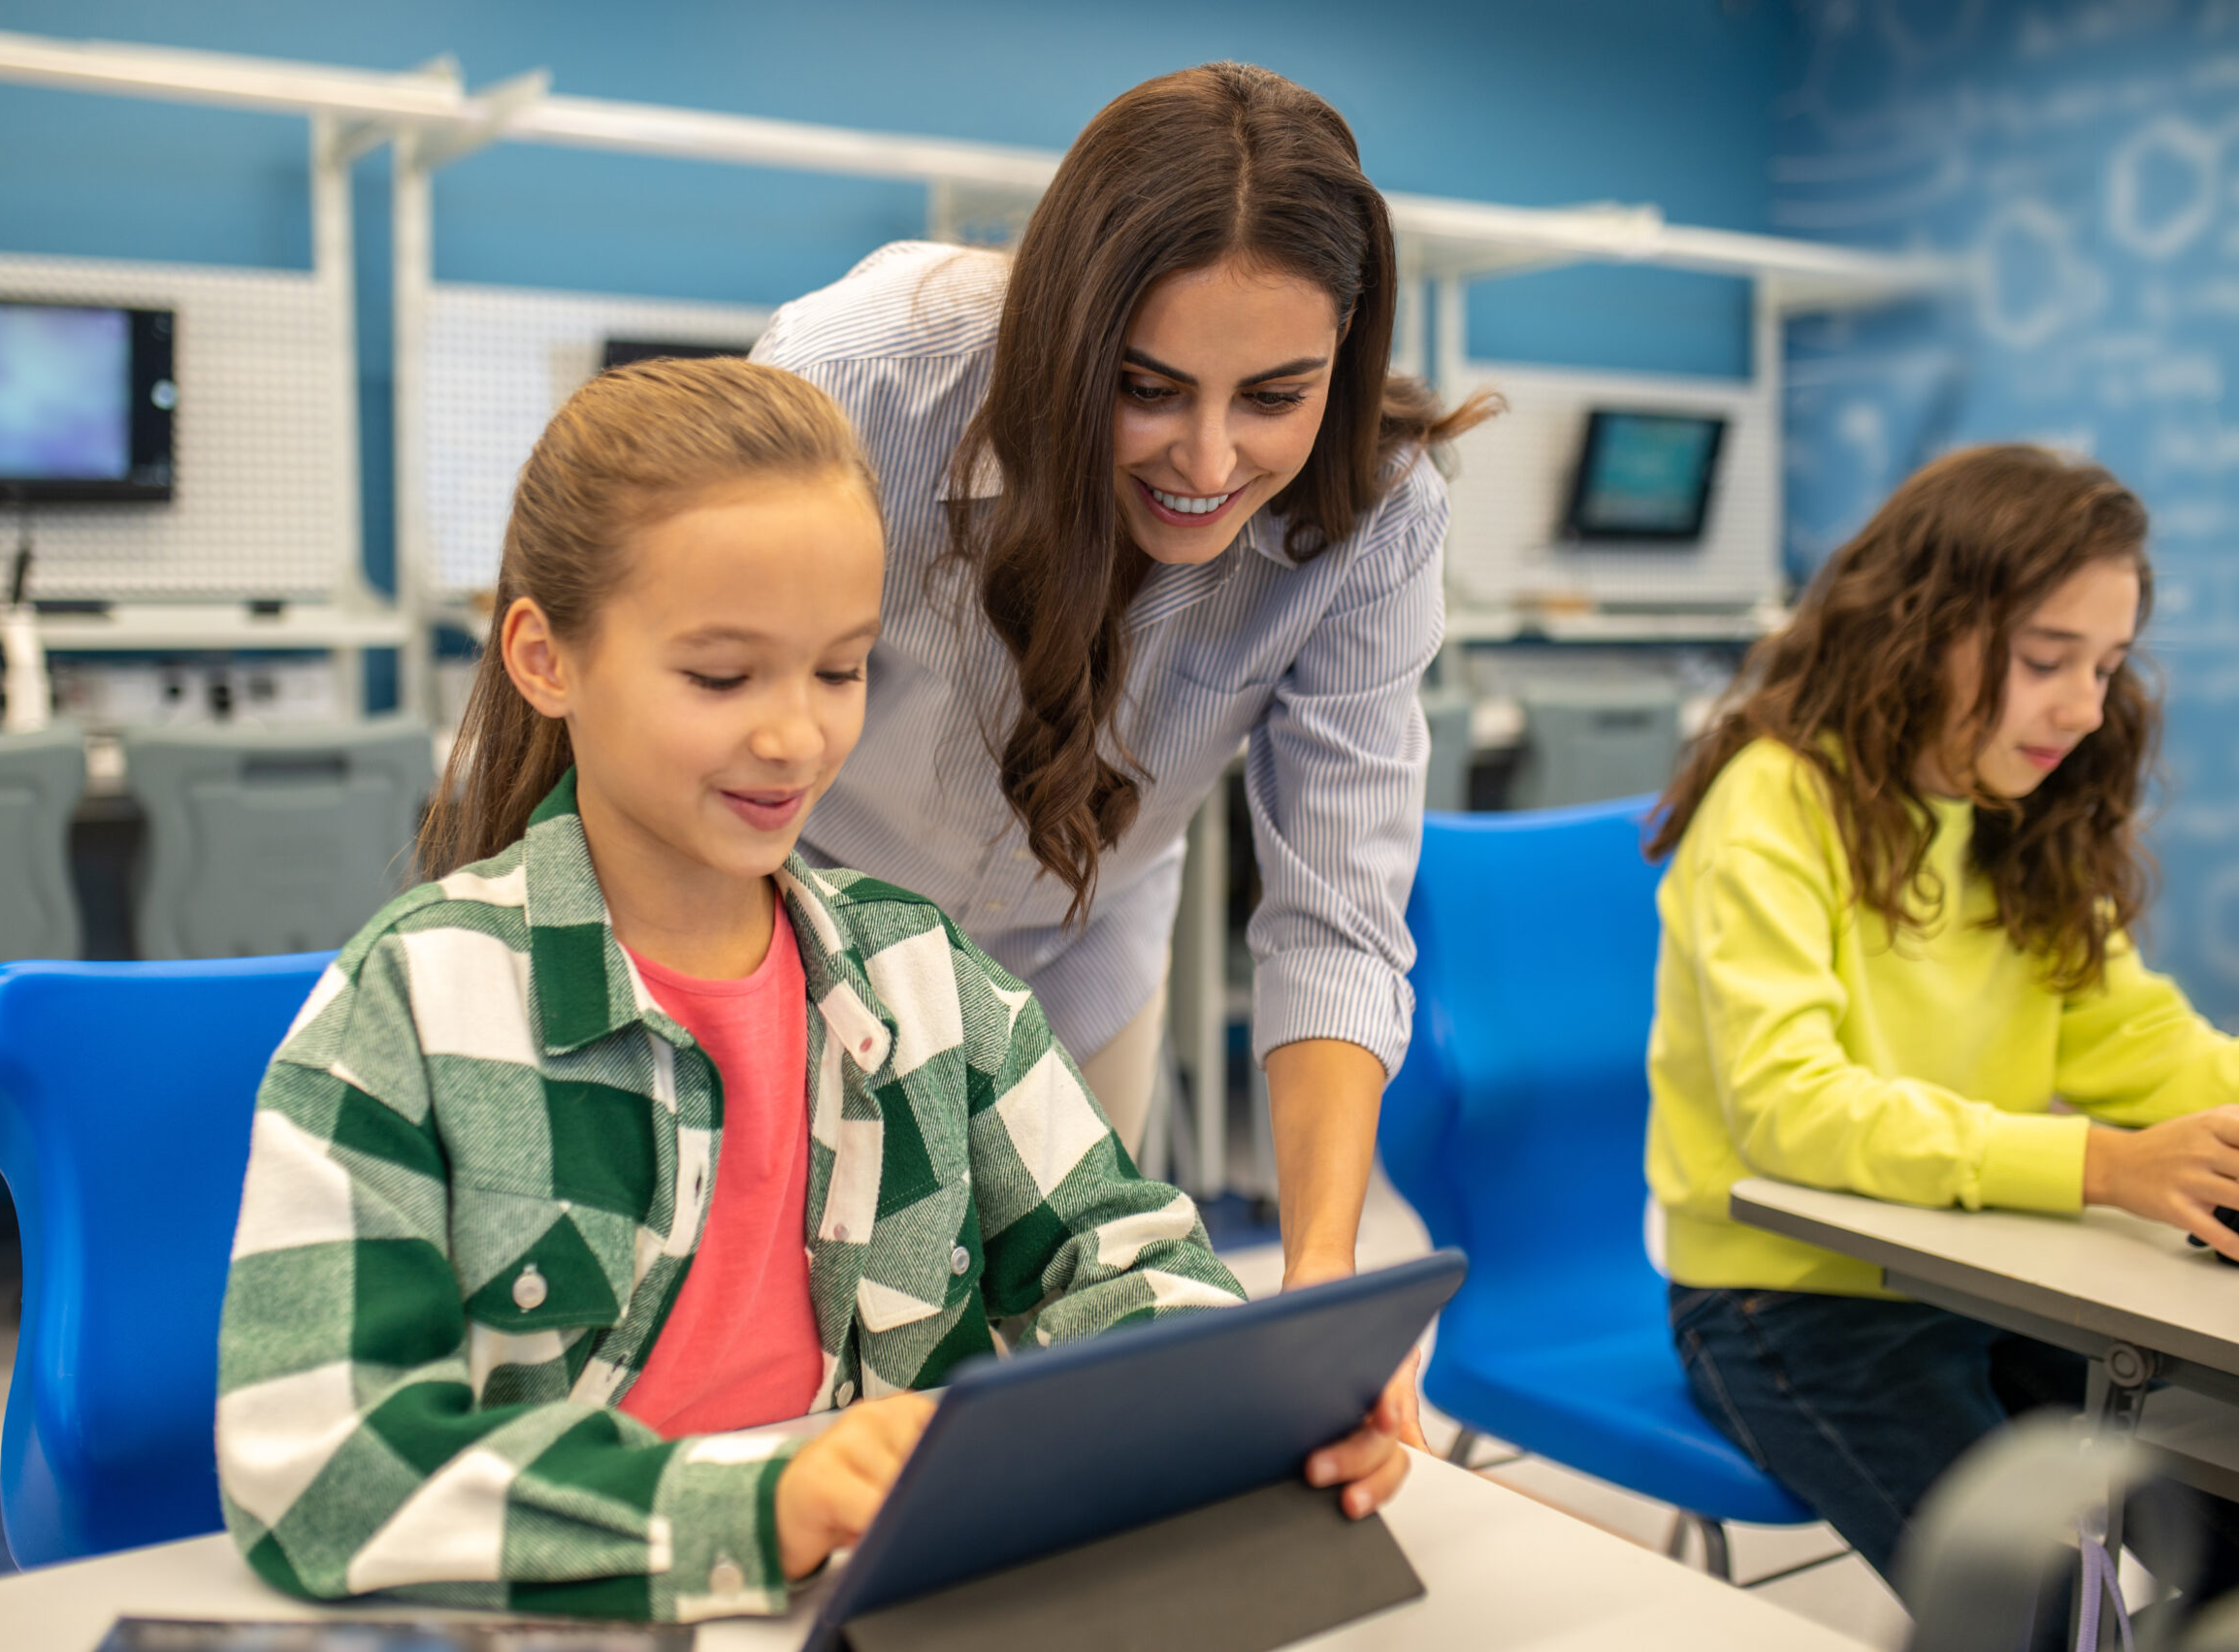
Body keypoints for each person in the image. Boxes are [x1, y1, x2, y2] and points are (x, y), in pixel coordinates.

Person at [213, 357, 1420, 1624]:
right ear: (545, 657)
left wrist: (1258, 1402)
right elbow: (319, 1463)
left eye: (840, 670)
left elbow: (1119, 1258)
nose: (796, 738)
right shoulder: (412, 1005)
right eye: (723, 678)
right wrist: (763, 1506)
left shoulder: (923, 981)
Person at [754, 63, 1497, 1289]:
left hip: (1079, 936)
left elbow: (1336, 913)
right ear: (1067, 332)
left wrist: (1319, 1270)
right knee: (815, 1328)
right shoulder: (855, 382)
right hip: (807, 911)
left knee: (1070, 1321)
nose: (1206, 459)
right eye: (1146, 389)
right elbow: (712, 714)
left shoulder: (1377, 514)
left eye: (1274, 396)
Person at [1646, 444, 2239, 1594]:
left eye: (2106, 665)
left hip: (1980, 1272)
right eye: (2044, 659)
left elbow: (2142, 1039)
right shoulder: (1773, 800)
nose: (2083, 705)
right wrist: (2103, 1165)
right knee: (2030, 1599)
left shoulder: (2021, 811)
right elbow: (1789, 1110)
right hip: (1785, 1297)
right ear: (1919, 627)